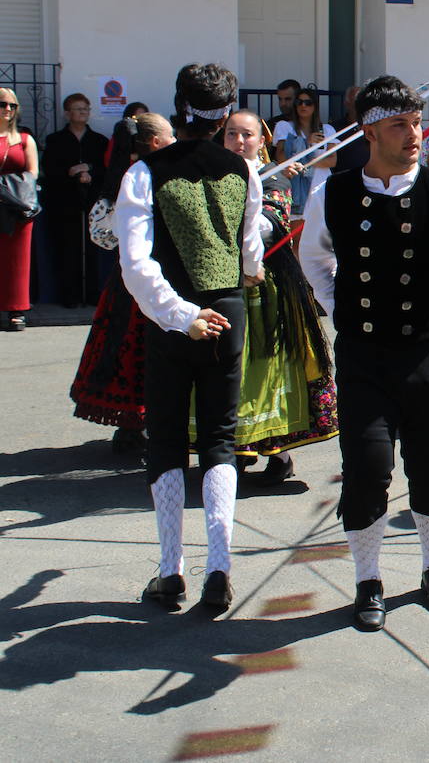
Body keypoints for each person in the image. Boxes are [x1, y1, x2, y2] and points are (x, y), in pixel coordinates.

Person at [299, 75, 429, 632]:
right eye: (400, 124)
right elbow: (314, 259)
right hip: (364, 355)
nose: (414, 134)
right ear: (369, 130)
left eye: (418, 122)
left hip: (427, 353)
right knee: (367, 469)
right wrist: (340, 309)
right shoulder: (333, 192)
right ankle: (368, 578)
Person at [116, 62, 264, 612]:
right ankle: (219, 568)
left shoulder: (145, 172)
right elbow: (251, 250)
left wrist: (180, 314)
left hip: (175, 316)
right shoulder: (242, 169)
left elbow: (136, 263)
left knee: (168, 438)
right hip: (228, 309)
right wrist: (244, 274)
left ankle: (171, 570)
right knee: (221, 439)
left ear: (180, 106)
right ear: (226, 114)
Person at [222, 110, 339, 485]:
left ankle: (279, 451)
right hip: (226, 284)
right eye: (232, 134)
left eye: (248, 135)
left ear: (263, 140)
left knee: (272, 366)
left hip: (269, 286)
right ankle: (236, 448)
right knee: (232, 369)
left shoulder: (273, 177)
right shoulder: (215, 176)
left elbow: (271, 226)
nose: (240, 141)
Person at [69, 114, 174, 453]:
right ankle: (139, 426)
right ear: (156, 142)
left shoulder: (124, 178)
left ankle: (133, 427)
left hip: (126, 280)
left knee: (129, 350)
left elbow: (102, 235)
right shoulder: (147, 178)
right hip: (150, 278)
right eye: (169, 134)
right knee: (141, 349)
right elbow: (105, 233)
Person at [43, 93, 108, 307]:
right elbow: (50, 169)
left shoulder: (99, 140)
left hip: (91, 203)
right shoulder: (55, 140)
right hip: (66, 203)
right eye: (78, 109)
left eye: (86, 109)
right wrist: (69, 172)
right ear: (67, 113)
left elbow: (106, 168)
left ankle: (91, 294)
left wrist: (90, 171)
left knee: (91, 250)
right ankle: (69, 296)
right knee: (67, 250)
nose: (83, 113)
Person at [274, 86, 338, 236]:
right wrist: (307, 144)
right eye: (299, 102)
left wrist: (305, 157)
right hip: (297, 186)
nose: (303, 106)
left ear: (315, 106)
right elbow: (282, 157)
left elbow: (332, 161)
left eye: (308, 102)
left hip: (320, 185)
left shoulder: (327, 129)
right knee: (296, 237)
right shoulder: (285, 127)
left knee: (321, 236)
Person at [0, 87, 38, 331]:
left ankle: (17, 309)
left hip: (17, 207)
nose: (7, 109)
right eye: (2, 104)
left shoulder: (25, 139)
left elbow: (33, 172)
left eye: (12, 106)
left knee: (18, 261)